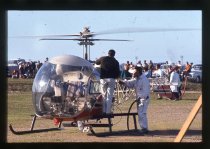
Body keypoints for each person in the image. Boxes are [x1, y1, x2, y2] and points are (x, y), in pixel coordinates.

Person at [119, 66, 150, 134]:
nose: (133, 74)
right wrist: (123, 82)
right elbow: (130, 83)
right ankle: (143, 127)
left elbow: (145, 91)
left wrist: (141, 98)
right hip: (140, 99)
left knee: (142, 113)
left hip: (143, 99)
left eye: (134, 72)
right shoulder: (137, 79)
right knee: (140, 113)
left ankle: (144, 128)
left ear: (138, 72)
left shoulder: (144, 80)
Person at [95, 49, 120, 115]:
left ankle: (103, 111)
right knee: (109, 96)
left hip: (103, 79)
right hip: (111, 79)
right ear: (114, 55)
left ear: (108, 53)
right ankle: (108, 111)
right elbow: (118, 73)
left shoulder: (103, 58)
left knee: (103, 95)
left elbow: (97, 62)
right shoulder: (116, 62)